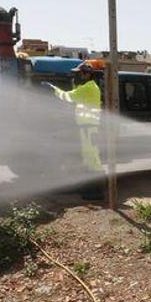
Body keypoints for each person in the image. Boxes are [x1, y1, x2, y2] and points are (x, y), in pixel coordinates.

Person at [48, 61, 104, 200]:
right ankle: (90, 188)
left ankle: (97, 191)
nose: (77, 76)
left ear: (87, 74)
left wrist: (54, 89)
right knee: (88, 158)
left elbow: (68, 97)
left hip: (89, 128)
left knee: (92, 158)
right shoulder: (88, 87)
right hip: (87, 127)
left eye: (79, 74)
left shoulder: (89, 87)